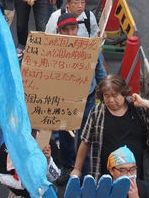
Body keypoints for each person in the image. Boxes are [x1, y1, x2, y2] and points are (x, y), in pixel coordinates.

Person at [72, 75, 149, 182]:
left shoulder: (138, 108)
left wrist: (143, 102)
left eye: (115, 95)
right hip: (105, 174)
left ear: (123, 93)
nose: (111, 100)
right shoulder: (97, 112)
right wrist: (77, 169)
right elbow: (85, 141)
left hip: (136, 173)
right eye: (106, 96)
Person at [55, 12, 107, 184]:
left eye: (73, 29)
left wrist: (107, 92)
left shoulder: (89, 47)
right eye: (66, 30)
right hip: (65, 99)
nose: (71, 33)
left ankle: (84, 171)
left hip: (87, 98)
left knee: (86, 135)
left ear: (78, 29)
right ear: (59, 31)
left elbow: (99, 71)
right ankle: (67, 167)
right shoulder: (52, 49)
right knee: (65, 135)